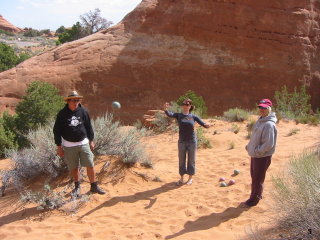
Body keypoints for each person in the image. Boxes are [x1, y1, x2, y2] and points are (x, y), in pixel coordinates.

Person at [53, 90, 105, 196]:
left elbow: (88, 126)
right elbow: (57, 130)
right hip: (69, 145)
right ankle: (77, 186)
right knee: (74, 167)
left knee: (90, 164)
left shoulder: (83, 111)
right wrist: (59, 146)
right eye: (74, 100)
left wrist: (91, 140)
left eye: (78, 100)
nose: (76, 102)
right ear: (68, 101)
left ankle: (94, 186)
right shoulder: (62, 114)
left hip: (83, 143)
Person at [164, 99, 210, 185]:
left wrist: (207, 125)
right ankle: (181, 178)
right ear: (182, 106)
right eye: (184, 104)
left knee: (191, 160)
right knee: (181, 160)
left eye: (187, 104)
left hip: (192, 141)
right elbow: (169, 114)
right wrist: (165, 109)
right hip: (181, 141)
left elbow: (203, 124)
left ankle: (190, 179)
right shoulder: (179, 115)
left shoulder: (193, 116)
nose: (185, 106)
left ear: (190, 106)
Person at [244, 99, 277, 207]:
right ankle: (258, 194)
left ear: (269, 109)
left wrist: (257, 151)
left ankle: (254, 200)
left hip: (262, 156)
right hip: (255, 154)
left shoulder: (269, 124)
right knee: (255, 176)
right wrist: (250, 146)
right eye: (260, 107)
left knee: (257, 178)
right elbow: (255, 137)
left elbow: (269, 144)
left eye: (264, 108)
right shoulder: (260, 120)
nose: (261, 110)